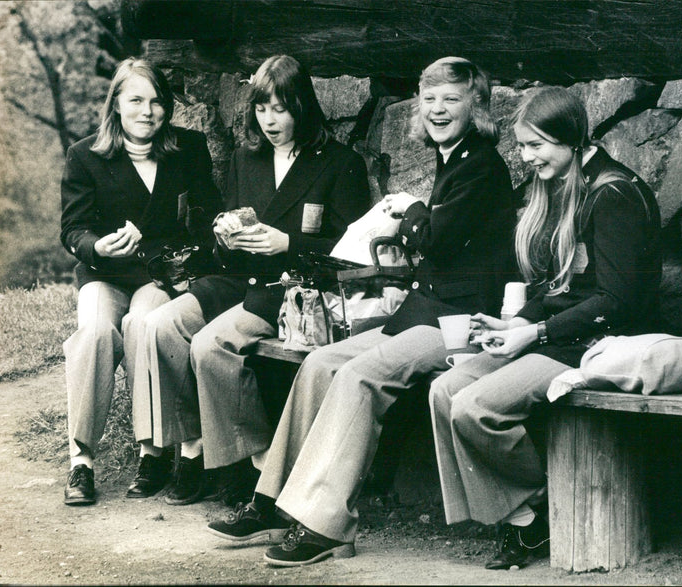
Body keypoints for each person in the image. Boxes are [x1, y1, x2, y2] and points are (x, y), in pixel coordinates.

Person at [207, 56, 518, 567]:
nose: (438, 110)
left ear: (476, 106)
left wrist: (408, 211)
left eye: (452, 99)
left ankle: (328, 524)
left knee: (358, 376)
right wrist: (413, 217)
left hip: (463, 322)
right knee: (320, 362)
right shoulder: (454, 157)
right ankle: (271, 501)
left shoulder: (480, 164)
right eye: (430, 99)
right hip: (427, 309)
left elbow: (435, 240)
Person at [428, 85, 662, 569]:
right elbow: (562, 286)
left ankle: (538, 509)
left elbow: (616, 301)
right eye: (521, 146)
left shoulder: (613, 193)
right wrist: (515, 320)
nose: (526, 157)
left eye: (536, 145)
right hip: (560, 335)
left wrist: (533, 334)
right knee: (444, 391)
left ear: (571, 138)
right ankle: (522, 521)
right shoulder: (565, 181)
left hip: (600, 344)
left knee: (475, 407)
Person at [130, 54, 371, 506]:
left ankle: (252, 467)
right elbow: (231, 223)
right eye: (262, 109)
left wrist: (288, 244)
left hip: (294, 289)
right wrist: (224, 232)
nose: (270, 120)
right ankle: (193, 453)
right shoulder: (248, 157)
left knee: (209, 345)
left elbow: (351, 249)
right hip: (238, 277)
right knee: (161, 326)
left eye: (280, 108)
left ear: (303, 105)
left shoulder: (339, 162)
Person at [60, 57, 222, 505]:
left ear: (167, 108)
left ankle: (151, 452)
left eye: (156, 102)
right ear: (116, 104)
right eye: (135, 100)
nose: (147, 111)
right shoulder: (85, 155)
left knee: (141, 325)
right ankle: (81, 461)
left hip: (158, 272)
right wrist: (98, 246)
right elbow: (73, 229)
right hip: (105, 272)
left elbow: (208, 212)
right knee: (93, 332)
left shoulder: (187, 148)